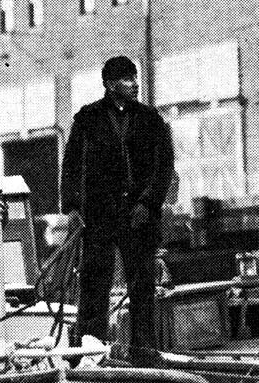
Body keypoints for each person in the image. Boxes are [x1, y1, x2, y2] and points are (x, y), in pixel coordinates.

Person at [60, 55, 175, 365]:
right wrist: (71, 206)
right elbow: (70, 164)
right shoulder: (87, 119)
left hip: (139, 217)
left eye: (135, 77)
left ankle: (144, 355)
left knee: (142, 288)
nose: (135, 84)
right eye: (127, 79)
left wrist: (148, 204)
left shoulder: (152, 120)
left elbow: (164, 168)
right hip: (98, 215)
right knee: (94, 283)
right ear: (110, 85)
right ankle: (89, 354)